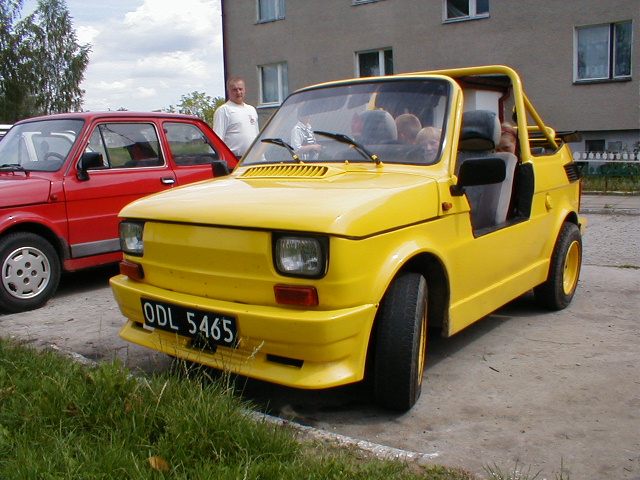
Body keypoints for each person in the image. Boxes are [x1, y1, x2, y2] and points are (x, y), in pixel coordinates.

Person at [213, 77, 259, 158]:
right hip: (233, 160)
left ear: (244, 90)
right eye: (234, 89)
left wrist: (261, 158)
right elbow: (216, 140)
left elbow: (256, 136)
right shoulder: (224, 110)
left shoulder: (251, 110)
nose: (238, 92)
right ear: (228, 91)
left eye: (240, 89)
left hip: (252, 159)